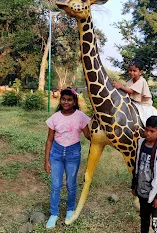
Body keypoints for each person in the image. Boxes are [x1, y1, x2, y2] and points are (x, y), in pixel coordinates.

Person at [44, 87, 91, 229]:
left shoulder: (81, 117)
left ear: (74, 101)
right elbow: (49, 141)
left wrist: (101, 134)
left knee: (71, 184)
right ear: (60, 100)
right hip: (56, 153)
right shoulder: (55, 118)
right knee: (56, 185)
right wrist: (46, 160)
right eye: (63, 99)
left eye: (69, 99)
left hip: (73, 153)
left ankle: (70, 210)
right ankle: (54, 213)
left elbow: (88, 136)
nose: (66, 102)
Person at [131, 116, 157, 233]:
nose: (147, 133)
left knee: (156, 224)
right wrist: (134, 185)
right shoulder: (140, 143)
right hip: (142, 191)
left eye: (152, 131)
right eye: (146, 129)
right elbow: (136, 165)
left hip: (154, 194)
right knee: (144, 220)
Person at [113, 59, 157, 126]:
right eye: (130, 70)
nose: (132, 72)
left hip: (143, 105)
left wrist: (121, 86)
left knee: (145, 120)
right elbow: (126, 91)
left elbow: (131, 91)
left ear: (140, 72)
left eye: (134, 71)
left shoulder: (141, 81)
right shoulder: (130, 82)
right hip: (134, 103)